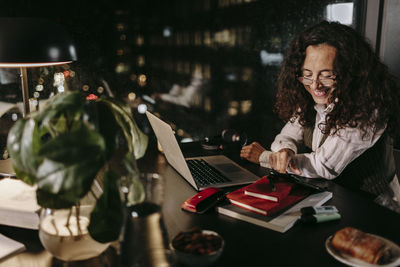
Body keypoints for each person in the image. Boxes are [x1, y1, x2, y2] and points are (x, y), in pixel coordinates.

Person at [240, 21, 400, 212]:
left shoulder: (368, 109)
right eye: (307, 74)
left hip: (372, 208)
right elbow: (287, 136)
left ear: (351, 72)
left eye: (327, 75)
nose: (315, 85)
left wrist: (265, 158)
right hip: (331, 198)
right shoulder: (309, 98)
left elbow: (323, 166)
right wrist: (285, 151)